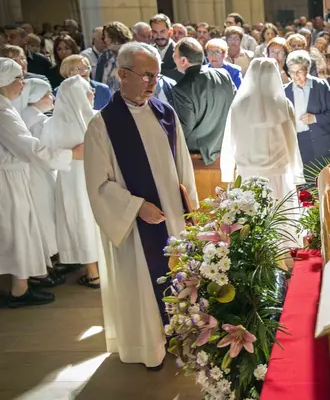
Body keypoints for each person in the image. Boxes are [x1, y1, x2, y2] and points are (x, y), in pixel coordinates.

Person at [83, 42, 198, 369]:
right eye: (146, 75)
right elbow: (98, 185)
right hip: (135, 230)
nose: (152, 83)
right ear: (122, 74)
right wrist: (136, 207)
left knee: (179, 281)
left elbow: (183, 170)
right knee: (142, 289)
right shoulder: (102, 126)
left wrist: (192, 212)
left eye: (156, 76)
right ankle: (150, 350)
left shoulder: (166, 114)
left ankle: (182, 340)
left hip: (173, 222)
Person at [0, 58, 84, 308]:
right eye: (18, 78)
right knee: (18, 231)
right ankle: (19, 291)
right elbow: (29, 147)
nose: (23, 83)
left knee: (21, 230)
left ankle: (24, 283)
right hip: (9, 178)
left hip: (13, 174)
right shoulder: (3, 112)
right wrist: (70, 154)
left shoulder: (6, 107)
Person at [43, 75, 105, 286]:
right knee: (98, 221)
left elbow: (46, 155)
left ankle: (93, 273)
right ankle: (105, 270)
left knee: (80, 222)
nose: (92, 94)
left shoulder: (51, 124)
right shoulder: (97, 118)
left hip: (70, 182)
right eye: (89, 91)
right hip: (98, 178)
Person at [220, 58, 303, 207]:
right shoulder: (283, 104)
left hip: (247, 171)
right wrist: (295, 171)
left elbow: (230, 139)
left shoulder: (239, 105)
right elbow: (292, 139)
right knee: (280, 213)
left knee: (248, 215)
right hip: (278, 171)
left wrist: (227, 171)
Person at [172, 38, 237, 165]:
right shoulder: (224, 75)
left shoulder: (182, 88)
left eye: (175, 55)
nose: (173, 59)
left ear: (183, 61)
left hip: (198, 155)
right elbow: (236, 108)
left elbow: (184, 128)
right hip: (226, 147)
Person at [17, 79, 58, 268]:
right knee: (45, 214)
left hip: (33, 173)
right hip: (40, 173)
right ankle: (45, 261)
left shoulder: (24, 116)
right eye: (47, 94)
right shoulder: (38, 120)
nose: (52, 97)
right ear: (35, 98)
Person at [284, 50, 330, 179]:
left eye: (299, 71)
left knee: (327, 179)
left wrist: (315, 118)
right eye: (292, 72)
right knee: (305, 181)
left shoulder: (321, 86)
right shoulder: (285, 91)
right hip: (299, 144)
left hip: (323, 142)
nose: (295, 76)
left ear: (307, 69)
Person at [95, 21, 134, 92]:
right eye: (105, 37)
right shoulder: (105, 56)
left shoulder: (132, 54)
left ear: (119, 37)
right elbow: (98, 81)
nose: (105, 40)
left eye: (108, 37)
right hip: (107, 96)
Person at [150, 14, 183, 82]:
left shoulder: (182, 52)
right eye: (155, 32)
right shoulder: (147, 53)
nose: (159, 36)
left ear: (170, 32)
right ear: (151, 32)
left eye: (162, 31)